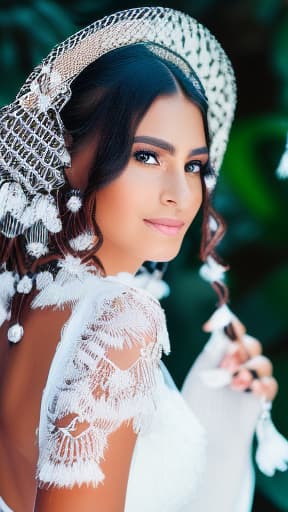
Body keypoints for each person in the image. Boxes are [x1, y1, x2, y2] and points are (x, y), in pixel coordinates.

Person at [0, 6, 286, 512]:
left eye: (194, 165)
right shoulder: (121, 320)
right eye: (147, 156)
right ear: (66, 153)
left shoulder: (15, 294)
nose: (180, 193)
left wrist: (214, 418)